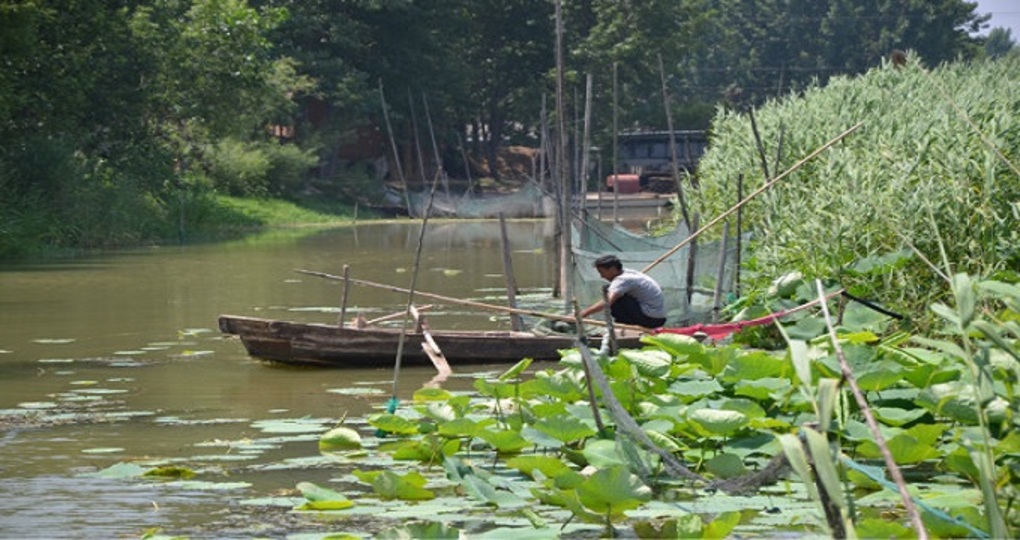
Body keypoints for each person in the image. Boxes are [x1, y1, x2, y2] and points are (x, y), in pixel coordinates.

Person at [579, 254, 667, 329]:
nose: (602, 276)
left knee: (615, 297)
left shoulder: (622, 280)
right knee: (612, 290)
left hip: (650, 319)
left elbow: (608, 302)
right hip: (658, 318)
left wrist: (582, 314)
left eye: (602, 272)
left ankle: (624, 325)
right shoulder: (630, 273)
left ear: (613, 269)